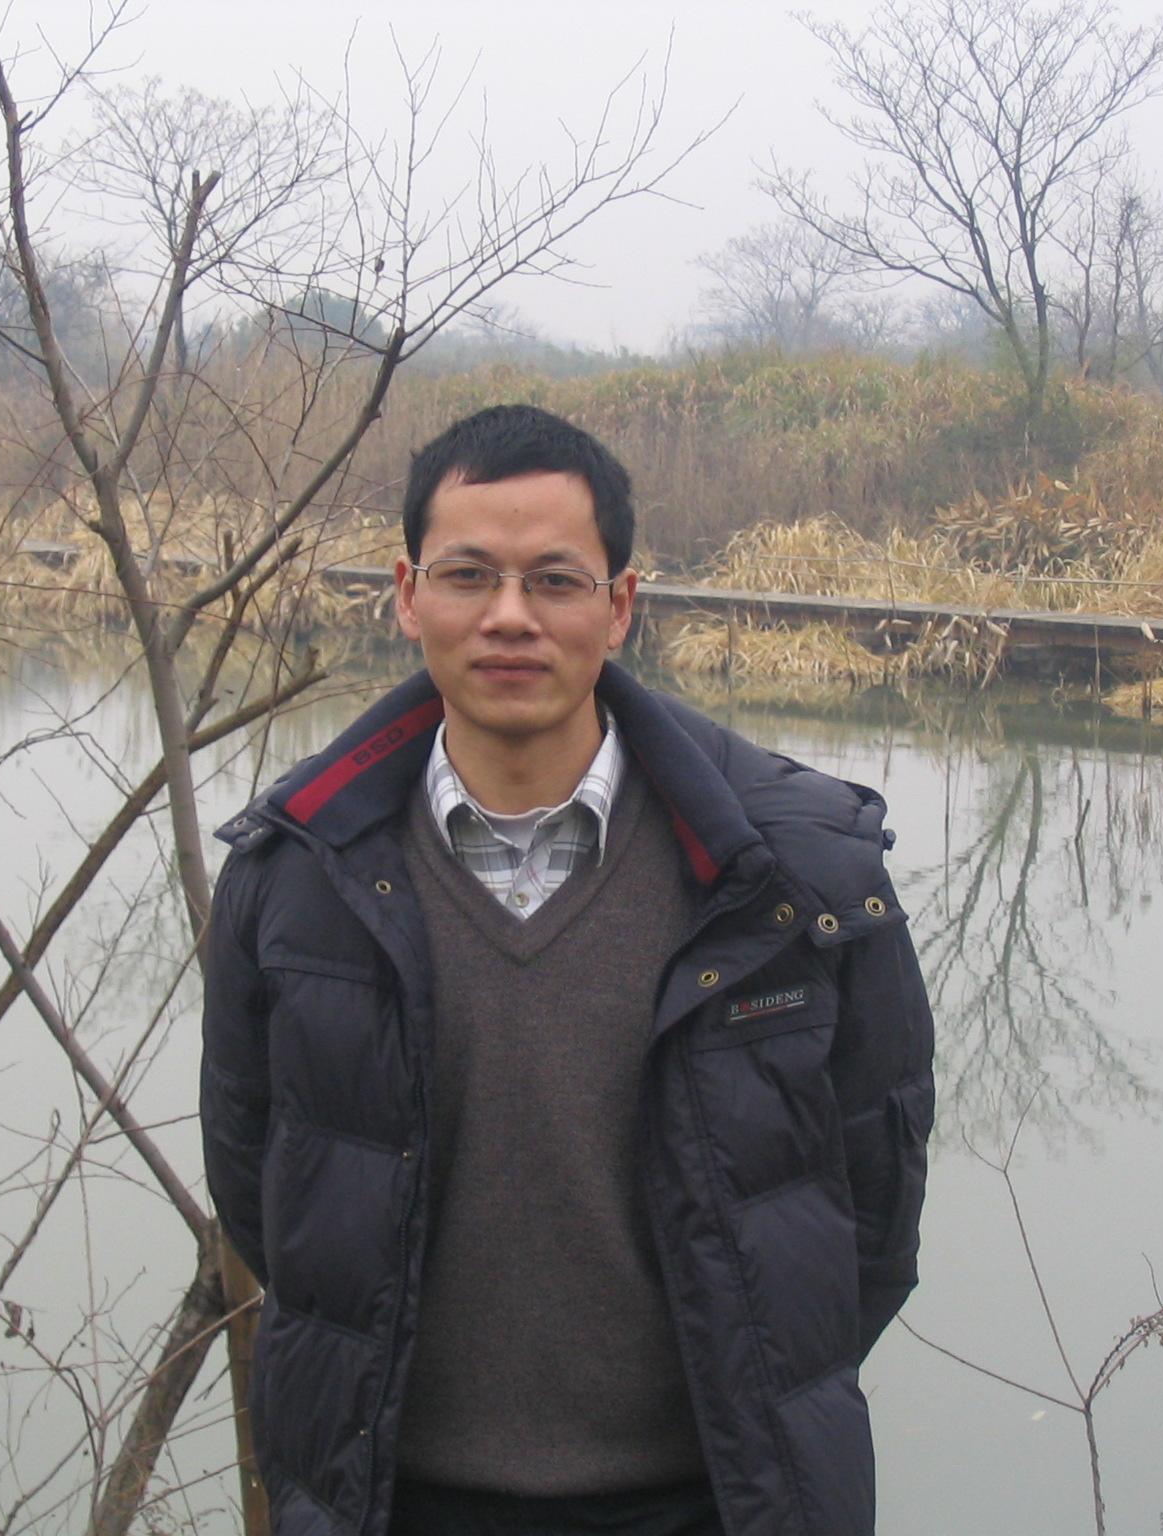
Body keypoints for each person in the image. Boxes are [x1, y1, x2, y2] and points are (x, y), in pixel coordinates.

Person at [200, 404, 935, 1536]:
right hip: (389, 1504)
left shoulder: (795, 883)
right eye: (467, 576)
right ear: (406, 596)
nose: (509, 617)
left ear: (619, 605)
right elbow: (260, 1190)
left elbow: (870, 1222)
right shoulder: (298, 876)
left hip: (714, 1508)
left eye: (554, 580)